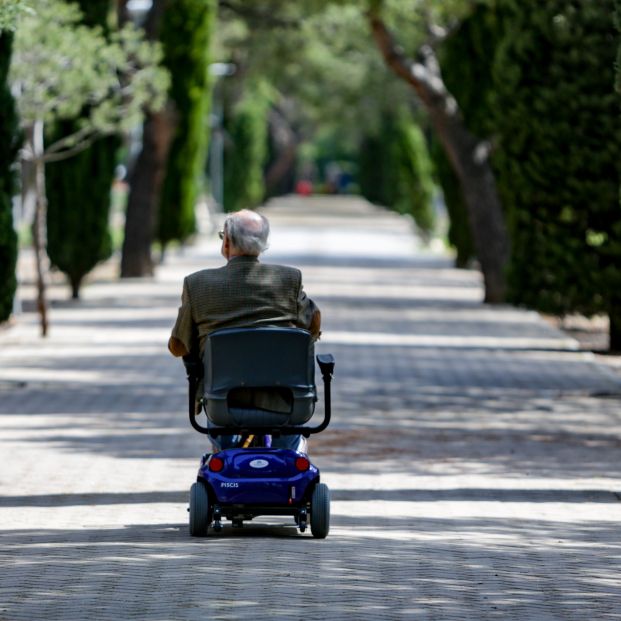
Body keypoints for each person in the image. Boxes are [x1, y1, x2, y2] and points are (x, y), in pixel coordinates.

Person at [168, 209, 321, 451]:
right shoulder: (289, 279)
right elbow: (312, 325)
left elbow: (179, 346)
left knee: (221, 440)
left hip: (225, 403)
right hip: (285, 402)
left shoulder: (197, 284)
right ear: (263, 244)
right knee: (291, 442)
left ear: (226, 241)